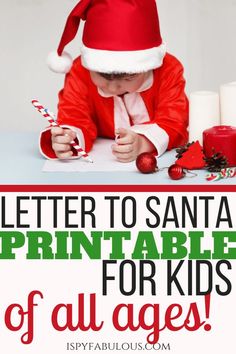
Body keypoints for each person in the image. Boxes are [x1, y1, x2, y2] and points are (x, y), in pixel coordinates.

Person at [40, 0, 188, 162]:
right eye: (102, 76)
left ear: (147, 67)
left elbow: (175, 120)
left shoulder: (168, 70)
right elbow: (73, 115)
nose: (113, 87)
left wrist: (144, 143)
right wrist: (68, 138)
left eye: (128, 78)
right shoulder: (79, 71)